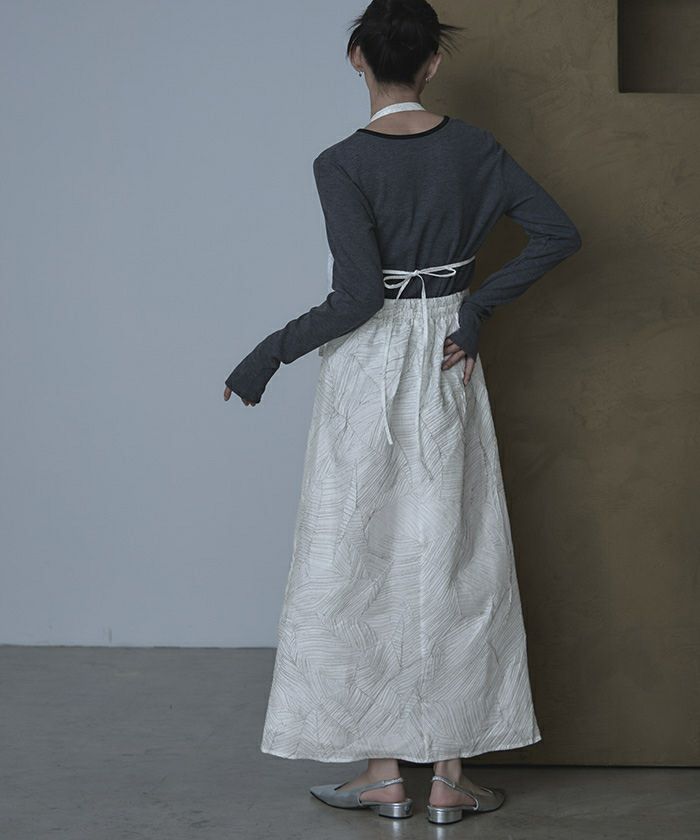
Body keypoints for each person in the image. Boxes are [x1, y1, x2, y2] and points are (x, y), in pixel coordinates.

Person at [223, 0, 581, 825]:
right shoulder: (476, 149)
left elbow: (355, 299)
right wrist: (476, 307)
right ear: (433, 63)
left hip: (367, 368)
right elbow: (558, 234)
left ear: (356, 58)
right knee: (455, 554)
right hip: (448, 355)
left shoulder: (340, 163)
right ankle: (450, 779)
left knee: (361, 556)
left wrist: (266, 355)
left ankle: (383, 774)